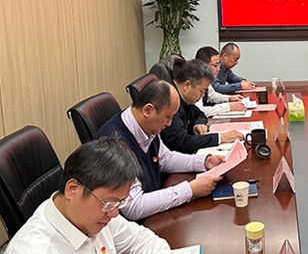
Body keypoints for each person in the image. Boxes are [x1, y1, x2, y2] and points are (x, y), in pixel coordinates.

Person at [0, 137, 188, 254]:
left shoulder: (94, 214)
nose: (114, 213)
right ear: (72, 189)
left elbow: (138, 239)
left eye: (120, 203)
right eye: (109, 203)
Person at [96, 79, 223, 221]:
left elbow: (165, 158)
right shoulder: (115, 143)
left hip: (155, 208)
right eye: (167, 117)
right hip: (139, 224)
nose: (169, 123)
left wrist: (204, 162)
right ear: (147, 110)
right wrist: (190, 190)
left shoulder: (145, 125)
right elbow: (134, 207)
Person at [162, 60, 244, 153]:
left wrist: (198, 124)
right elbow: (182, 143)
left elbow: (199, 114)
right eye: (202, 90)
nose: (203, 95)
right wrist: (221, 138)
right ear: (187, 85)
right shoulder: (169, 101)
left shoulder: (184, 99)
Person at [194, 46, 245, 117]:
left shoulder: (204, 79)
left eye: (219, 65)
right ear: (202, 65)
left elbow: (212, 96)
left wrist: (229, 98)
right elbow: (200, 111)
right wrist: (227, 107)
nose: (218, 69)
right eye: (215, 66)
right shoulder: (194, 82)